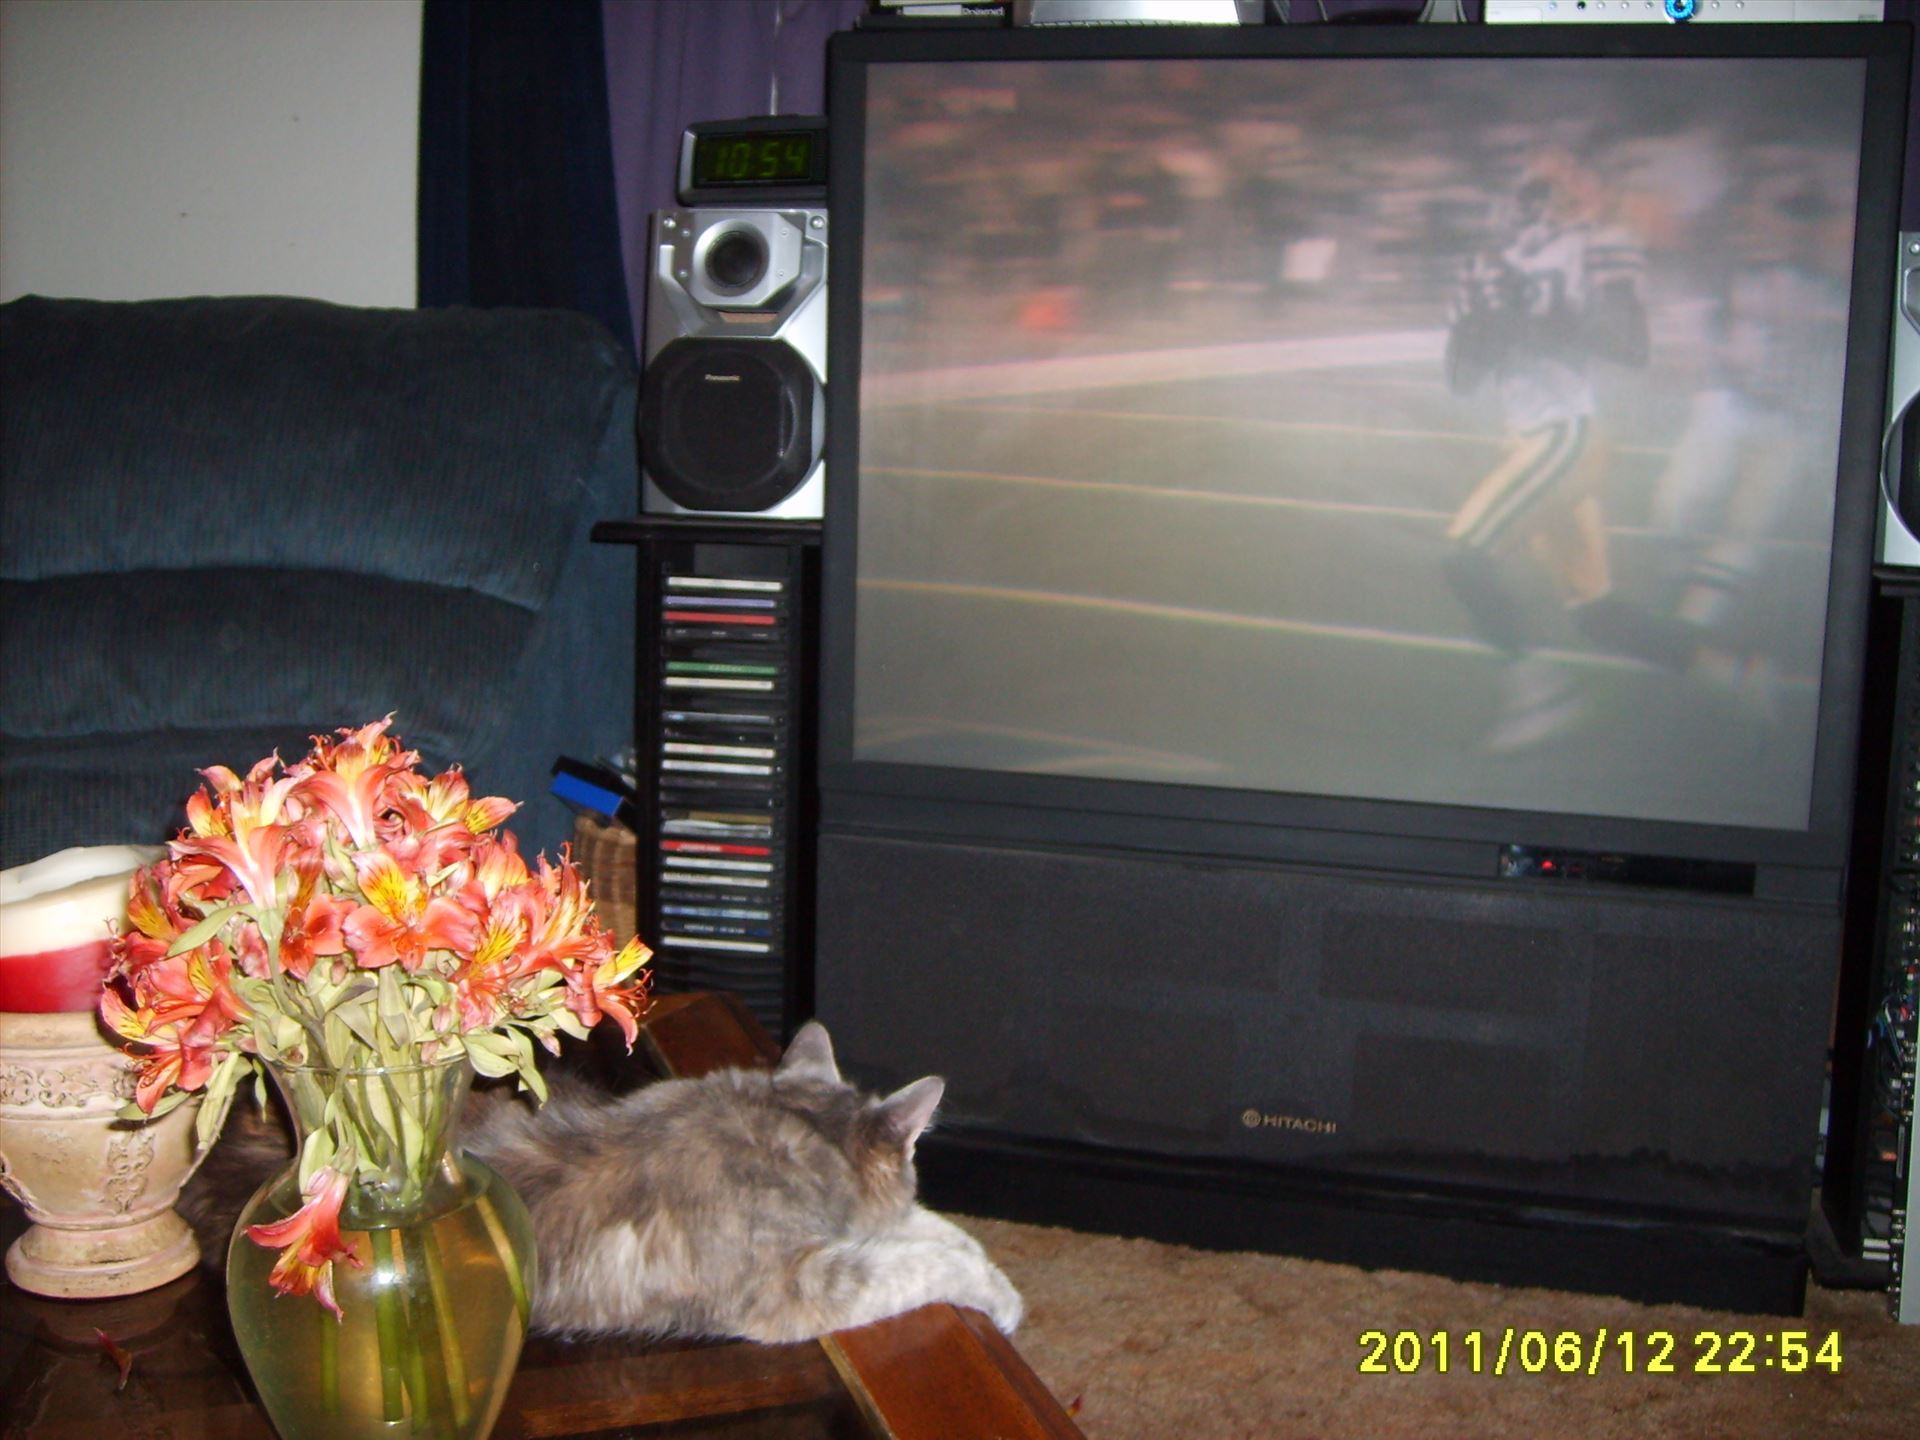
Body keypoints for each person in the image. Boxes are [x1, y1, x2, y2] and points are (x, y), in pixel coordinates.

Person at [1440, 151, 1651, 751]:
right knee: (1597, 615)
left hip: (1567, 434)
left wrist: (1529, 323)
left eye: (1546, 192)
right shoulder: (1487, 266)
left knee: (1462, 559)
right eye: (1524, 192)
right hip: (1532, 436)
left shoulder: (1594, 249)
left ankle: (1539, 691)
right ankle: (1729, 672)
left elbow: (1631, 345)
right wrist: (1480, 326)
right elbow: (1461, 378)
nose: (1529, 206)